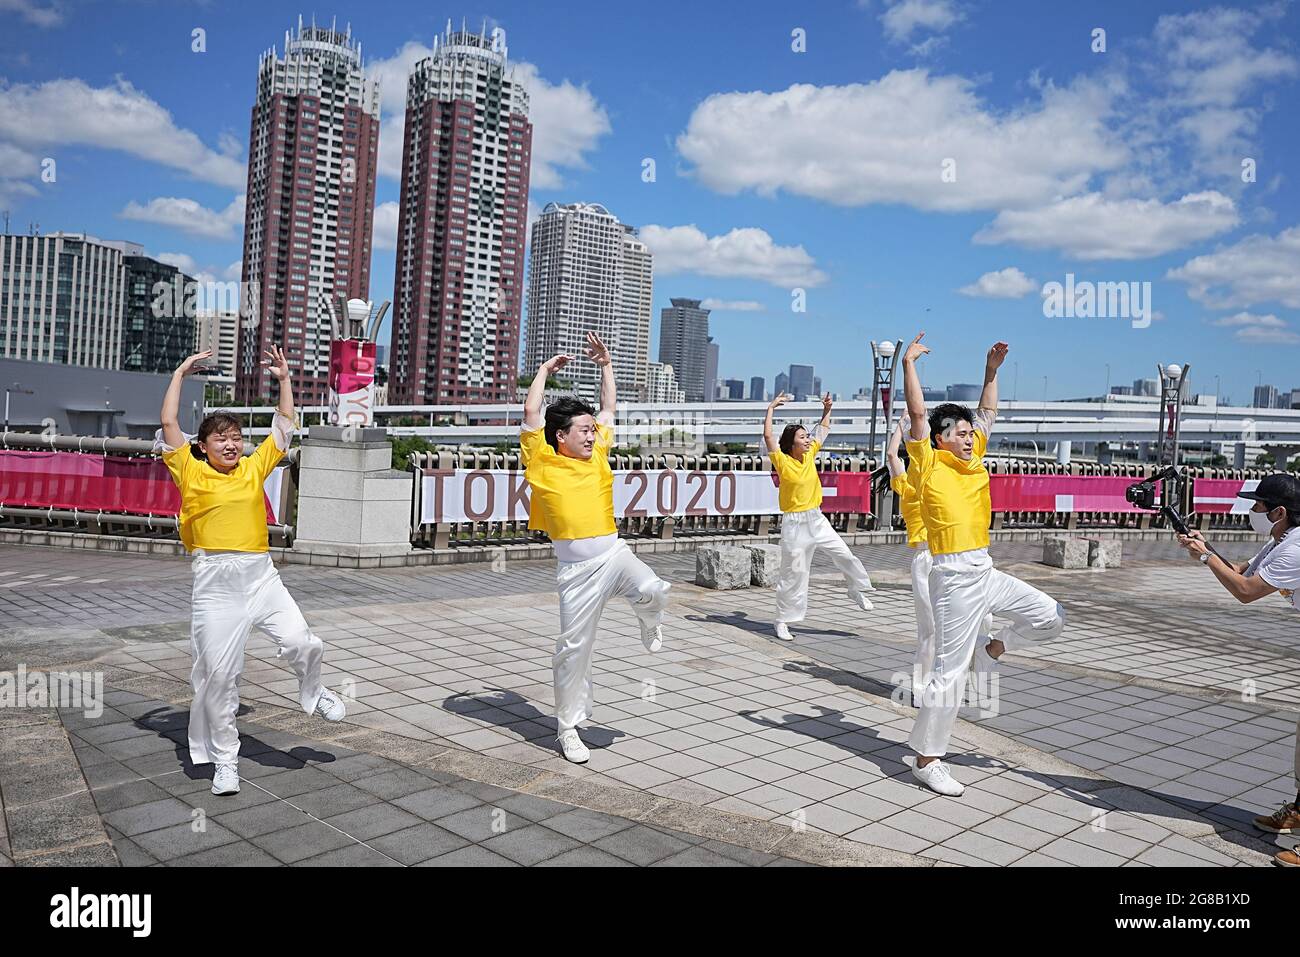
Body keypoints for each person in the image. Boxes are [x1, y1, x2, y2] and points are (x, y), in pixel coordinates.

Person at [159, 346, 346, 797]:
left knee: (303, 640)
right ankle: (226, 761)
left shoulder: (251, 469)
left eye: (236, 436)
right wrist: (182, 372)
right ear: (202, 447)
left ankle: (314, 691)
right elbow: (169, 423)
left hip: (260, 576)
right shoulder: (189, 470)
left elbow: (284, 427)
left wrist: (284, 378)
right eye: (220, 438)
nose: (230, 443)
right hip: (215, 583)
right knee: (219, 677)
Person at [902, 333, 1066, 796]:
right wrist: (907, 362)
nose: (970, 437)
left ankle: (996, 646)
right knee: (948, 673)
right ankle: (927, 759)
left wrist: (991, 373)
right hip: (952, 577)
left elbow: (988, 412)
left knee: (1053, 617)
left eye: (971, 433)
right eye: (960, 432)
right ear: (940, 439)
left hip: (985, 571)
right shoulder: (928, 463)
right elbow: (917, 413)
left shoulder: (975, 461)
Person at [521, 331, 671, 764]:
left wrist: (605, 364)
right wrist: (545, 371)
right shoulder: (541, 459)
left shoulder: (599, 453)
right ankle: (568, 728)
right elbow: (532, 410)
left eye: (592, 430)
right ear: (560, 436)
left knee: (655, 589)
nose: (591, 435)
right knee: (572, 651)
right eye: (583, 431)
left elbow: (609, 407)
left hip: (614, 554)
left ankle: (648, 619)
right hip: (575, 572)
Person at [1178, 472, 1300, 868]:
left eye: (1258, 505)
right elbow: (1242, 573)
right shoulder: (1280, 540)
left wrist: (1204, 556)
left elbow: (1245, 594)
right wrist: (1203, 546)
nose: (1252, 511)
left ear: (1279, 511)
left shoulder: (1296, 549)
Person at [763, 391, 875, 642]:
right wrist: (771, 408)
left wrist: (827, 409)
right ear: (791, 443)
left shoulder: (810, 454)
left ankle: (856, 589)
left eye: (806, 436)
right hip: (794, 524)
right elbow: (768, 436)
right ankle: (783, 620)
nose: (807, 439)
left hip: (816, 519)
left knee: (844, 554)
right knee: (794, 574)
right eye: (802, 437)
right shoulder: (782, 461)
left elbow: (823, 429)